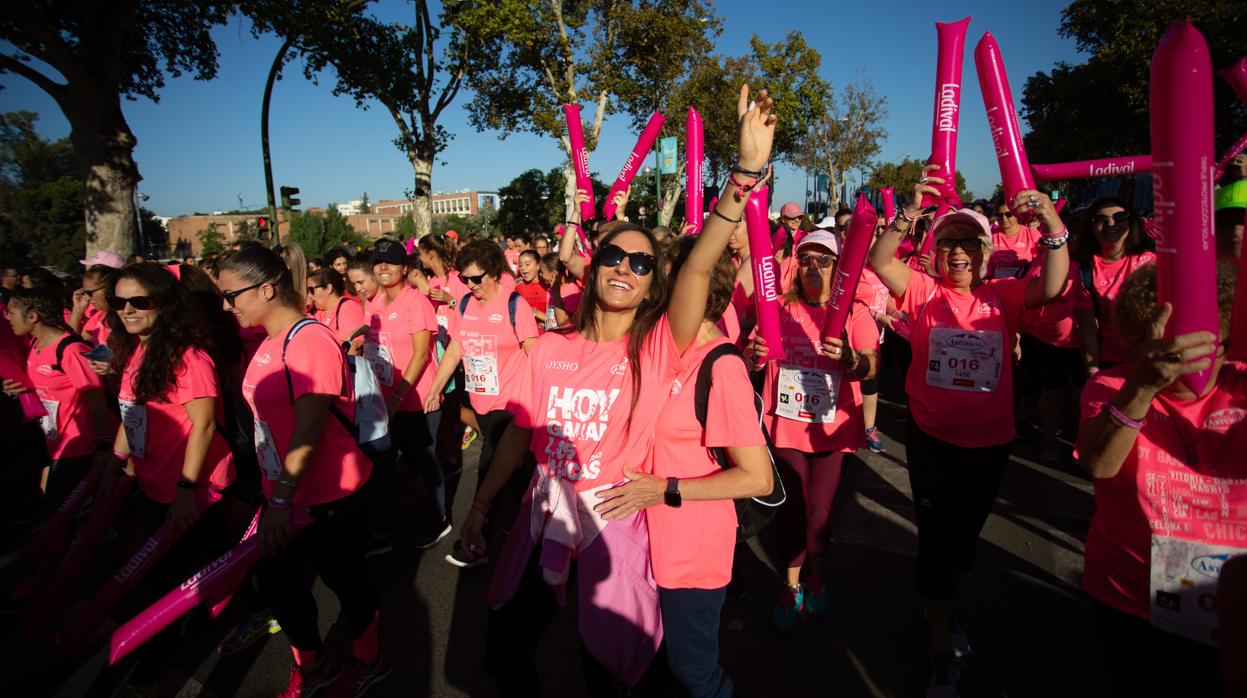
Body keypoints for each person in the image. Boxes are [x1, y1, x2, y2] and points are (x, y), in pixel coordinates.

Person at [457, 84, 776, 695]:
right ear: (594, 263)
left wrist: (743, 175)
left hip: (613, 525)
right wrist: (479, 507)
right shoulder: (549, 347)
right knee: (503, 655)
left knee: (607, 670)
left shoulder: (654, 348)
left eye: (642, 263)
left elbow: (699, 266)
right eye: (613, 256)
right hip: (543, 516)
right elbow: (519, 438)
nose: (625, 267)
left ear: (654, 284)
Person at [868, 166, 1069, 696]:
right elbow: (880, 261)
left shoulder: (1004, 294)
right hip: (931, 440)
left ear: (986, 251)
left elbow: (1051, 285)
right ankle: (941, 651)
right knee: (936, 545)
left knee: (962, 546)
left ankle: (942, 603)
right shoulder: (923, 291)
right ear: (936, 252)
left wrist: (1051, 223)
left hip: (989, 445)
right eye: (949, 242)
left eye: (969, 243)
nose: (958, 252)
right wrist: (910, 211)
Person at [217, 246, 387, 696]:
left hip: (331, 494)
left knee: (346, 581)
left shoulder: (308, 340)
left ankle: (370, 658)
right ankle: (312, 666)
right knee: (279, 586)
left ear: (266, 290)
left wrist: (279, 500)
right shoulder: (268, 342)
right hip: (284, 494)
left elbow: (309, 430)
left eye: (232, 296)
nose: (227, 306)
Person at [1075, 260, 1241, 698]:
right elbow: (1098, 464)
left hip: (1234, 603)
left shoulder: (1240, 386)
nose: (1176, 361)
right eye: (1151, 347)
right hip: (1130, 598)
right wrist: (1142, 387)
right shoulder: (1112, 386)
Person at [100, 262, 237, 692]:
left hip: (196, 488)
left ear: (164, 303)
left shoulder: (189, 357)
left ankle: (148, 676)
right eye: (119, 302)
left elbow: (205, 426)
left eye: (139, 301)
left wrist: (186, 491)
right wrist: (113, 464)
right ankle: (251, 605)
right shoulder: (137, 351)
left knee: (166, 583)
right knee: (209, 566)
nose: (127, 310)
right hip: (155, 485)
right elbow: (131, 413)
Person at [746, 230, 878, 631]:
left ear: (838, 269)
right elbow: (750, 356)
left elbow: (871, 365)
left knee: (820, 512)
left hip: (831, 432)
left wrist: (851, 359)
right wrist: (754, 356)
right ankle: (791, 587)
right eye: (805, 259)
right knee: (792, 510)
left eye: (823, 260)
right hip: (787, 428)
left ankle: (816, 576)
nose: (812, 267)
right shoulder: (778, 309)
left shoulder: (854, 313)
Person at [425, 239, 540, 567]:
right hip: (481, 402)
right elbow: (456, 348)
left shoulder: (515, 305)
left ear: (494, 272)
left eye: (477, 278)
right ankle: (537, 525)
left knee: (489, 468)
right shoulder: (464, 304)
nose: (471, 285)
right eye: (465, 279)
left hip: (511, 404)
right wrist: (435, 388)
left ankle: (476, 541)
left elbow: (536, 356)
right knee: (516, 473)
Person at [364, 238, 446, 553]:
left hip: (415, 400)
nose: (383, 267)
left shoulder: (416, 302)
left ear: (405, 267)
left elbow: (420, 355)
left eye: (391, 262)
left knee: (425, 463)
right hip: (384, 402)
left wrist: (396, 399)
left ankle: (439, 518)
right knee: (384, 464)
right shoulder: (374, 304)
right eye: (378, 262)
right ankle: (382, 527)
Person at [3, 288, 112, 514]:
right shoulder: (35, 344)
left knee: (64, 514)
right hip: (53, 443)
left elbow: (97, 400)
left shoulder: (71, 350)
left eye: (11, 312)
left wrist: (102, 444)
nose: (6, 317)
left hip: (79, 446)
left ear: (32, 316)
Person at [1072, 197, 1156, 374]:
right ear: (1092, 227)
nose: (1111, 223)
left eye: (1120, 217)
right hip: (1110, 361)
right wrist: (1093, 371)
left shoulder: (1152, 261)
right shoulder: (1086, 271)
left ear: (1131, 222)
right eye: (1101, 219)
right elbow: (1088, 330)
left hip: (1152, 358)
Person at [307, 268, 365, 349]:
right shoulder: (318, 312)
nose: (309, 295)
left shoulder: (349, 308)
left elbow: (354, 346)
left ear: (328, 288)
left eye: (311, 290)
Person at [985, 201, 1041, 279]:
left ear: (1016, 214)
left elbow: (1039, 262)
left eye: (1008, 214)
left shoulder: (1031, 234)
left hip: (1025, 283)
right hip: (998, 284)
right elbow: (987, 269)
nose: (1004, 218)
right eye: (1000, 215)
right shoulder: (991, 237)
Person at [514, 249, 548, 326]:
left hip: (546, 332)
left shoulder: (548, 285)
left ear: (538, 266)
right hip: (525, 332)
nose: (523, 268)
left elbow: (559, 319)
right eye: (520, 265)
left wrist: (539, 315)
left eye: (527, 264)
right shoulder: (517, 286)